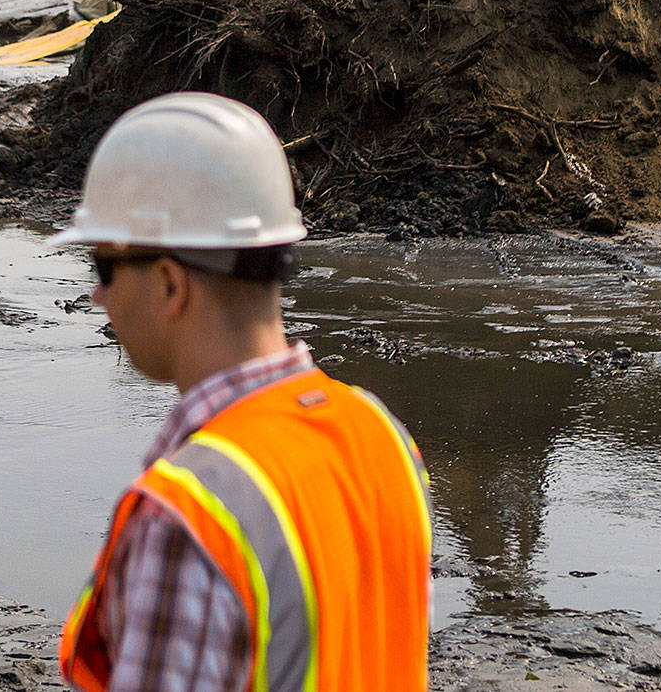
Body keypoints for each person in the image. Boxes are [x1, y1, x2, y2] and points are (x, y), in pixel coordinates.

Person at [52, 93, 433, 692]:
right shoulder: (383, 437)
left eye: (103, 269)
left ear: (171, 284)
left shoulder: (189, 518)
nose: (98, 297)